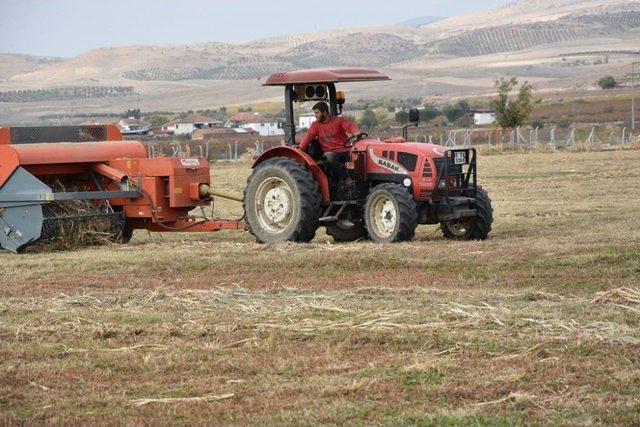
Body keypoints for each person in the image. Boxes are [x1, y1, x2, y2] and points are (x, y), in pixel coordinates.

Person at [298, 102, 362, 181]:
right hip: (331, 152)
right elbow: (308, 137)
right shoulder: (315, 125)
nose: (315, 115)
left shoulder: (338, 121)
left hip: (346, 150)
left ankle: (362, 179)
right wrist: (300, 148)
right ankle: (347, 178)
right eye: (315, 113)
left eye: (317, 113)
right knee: (329, 157)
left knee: (361, 156)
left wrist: (355, 131)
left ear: (324, 112)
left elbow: (350, 125)